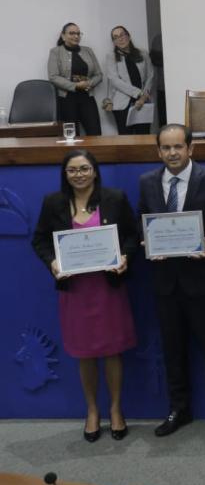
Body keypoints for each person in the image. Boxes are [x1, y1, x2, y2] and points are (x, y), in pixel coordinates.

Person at [137, 124, 205, 438]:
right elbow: (143, 220)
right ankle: (179, 409)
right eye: (166, 148)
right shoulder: (148, 182)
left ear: (190, 149)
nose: (172, 153)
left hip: (203, 280)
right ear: (158, 151)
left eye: (178, 147)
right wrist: (147, 242)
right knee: (172, 349)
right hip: (166, 281)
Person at [32, 149, 136, 441]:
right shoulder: (53, 203)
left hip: (108, 289)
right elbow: (39, 239)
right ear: (65, 174)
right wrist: (53, 262)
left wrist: (126, 256)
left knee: (112, 350)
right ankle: (92, 411)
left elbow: (131, 235)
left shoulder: (114, 198)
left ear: (95, 171)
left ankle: (116, 409)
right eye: (72, 170)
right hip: (75, 291)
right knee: (84, 353)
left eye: (84, 169)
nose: (79, 175)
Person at [47, 22, 103, 135]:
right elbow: (53, 76)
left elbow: (99, 74)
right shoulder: (55, 52)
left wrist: (89, 83)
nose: (76, 36)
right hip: (66, 100)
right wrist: (75, 86)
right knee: (71, 136)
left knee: (95, 133)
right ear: (63, 36)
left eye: (78, 33)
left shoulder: (88, 50)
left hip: (87, 98)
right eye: (72, 33)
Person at [102, 25, 154, 135]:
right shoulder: (111, 57)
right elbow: (115, 80)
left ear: (128, 36)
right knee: (125, 138)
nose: (120, 39)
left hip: (143, 102)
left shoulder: (143, 53)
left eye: (122, 35)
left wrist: (144, 96)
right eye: (116, 37)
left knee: (144, 136)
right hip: (122, 103)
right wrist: (138, 93)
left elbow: (151, 75)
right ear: (114, 42)